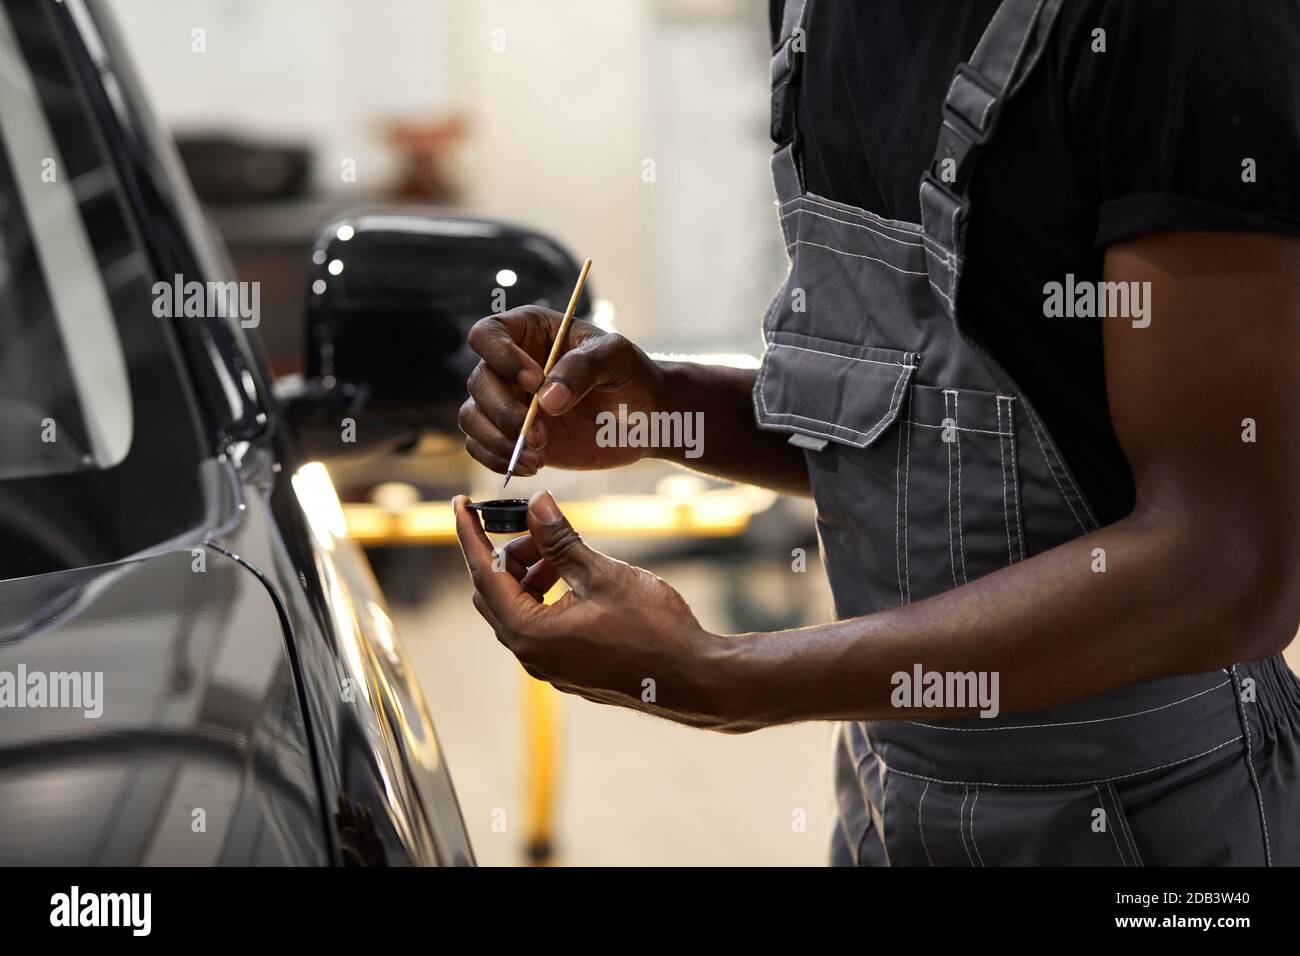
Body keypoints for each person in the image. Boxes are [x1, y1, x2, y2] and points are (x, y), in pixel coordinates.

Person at [453, 0, 1300, 865]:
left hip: (1148, 817)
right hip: (885, 792)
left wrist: (729, 674)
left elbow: (1228, 564)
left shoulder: (1184, 27)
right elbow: (936, 434)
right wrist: (666, 407)